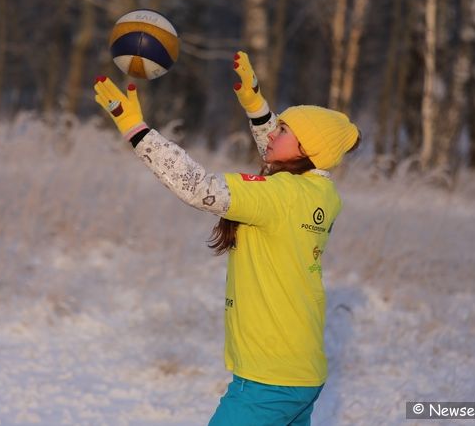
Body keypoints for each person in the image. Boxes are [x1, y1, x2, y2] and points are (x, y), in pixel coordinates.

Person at [94, 51, 360, 426]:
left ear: (306, 150)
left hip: (269, 381)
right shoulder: (319, 194)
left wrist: (137, 130)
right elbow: (288, 156)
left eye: (283, 130)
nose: (273, 134)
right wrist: (257, 108)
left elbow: (198, 186)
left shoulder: (279, 196)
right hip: (298, 373)